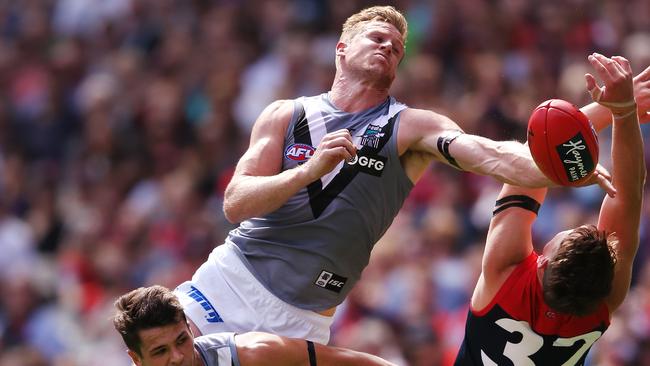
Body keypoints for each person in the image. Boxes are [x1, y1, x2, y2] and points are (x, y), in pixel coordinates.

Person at [174, 5, 650, 344]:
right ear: (341, 49)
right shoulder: (285, 114)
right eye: (377, 38)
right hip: (228, 281)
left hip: (302, 321)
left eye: (397, 47)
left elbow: (500, 158)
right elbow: (236, 203)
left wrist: (566, 159)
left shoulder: (409, 127)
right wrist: (308, 172)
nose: (388, 47)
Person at [454, 53, 645, 365]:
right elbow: (628, 194)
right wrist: (621, 110)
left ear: (543, 262)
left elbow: (534, 162)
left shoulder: (506, 273)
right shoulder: (601, 300)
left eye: (567, 234)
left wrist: (617, 109)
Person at [113, 285, 397, 366]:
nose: (177, 358)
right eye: (160, 352)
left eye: (181, 341)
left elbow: (342, 361)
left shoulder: (251, 354)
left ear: (189, 328)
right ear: (136, 360)